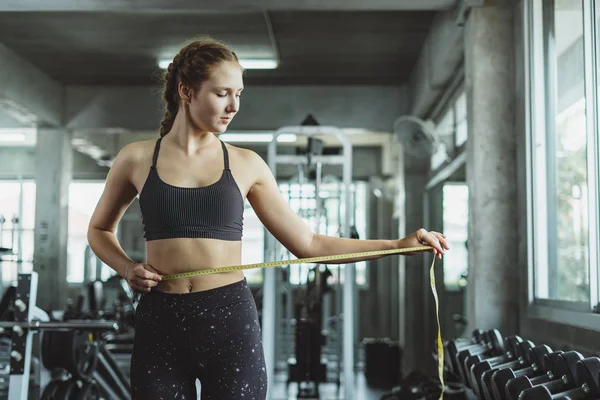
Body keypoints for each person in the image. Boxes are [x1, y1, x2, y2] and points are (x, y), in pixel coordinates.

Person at [87, 37, 449, 400]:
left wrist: (396, 246)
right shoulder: (135, 159)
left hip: (228, 319)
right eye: (222, 93)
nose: (234, 106)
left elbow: (309, 245)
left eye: (239, 94)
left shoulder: (246, 164)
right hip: (160, 320)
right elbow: (99, 229)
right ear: (186, 91)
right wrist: (126, 267)